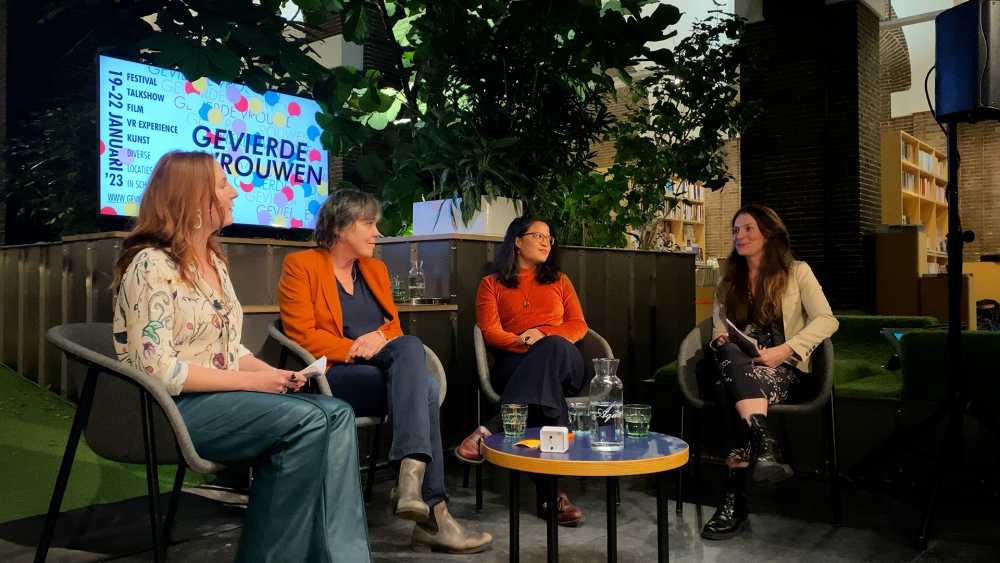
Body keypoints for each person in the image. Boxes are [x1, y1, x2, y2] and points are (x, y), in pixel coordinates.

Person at [112, 151, 371, 562]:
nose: (234, 192)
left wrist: (272, 374)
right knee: (305, 422)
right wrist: (255, 383)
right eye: (222, 185)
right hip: (173, 409)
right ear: (193, 198)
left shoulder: (214, 259)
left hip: (224, 400)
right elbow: (158, 369)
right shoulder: (150, 265)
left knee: (335, 412)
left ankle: (343, 558)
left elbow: (230, 350)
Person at [277, 189, 492, 555]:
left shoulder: (373, 269)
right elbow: (303, 336)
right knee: (422, 386)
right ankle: (430, 510)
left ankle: (413, 482)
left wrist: (377, 337)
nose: (377, 232)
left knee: (408, 347)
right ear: (342, 226)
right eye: (369, 224)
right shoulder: (301, 266)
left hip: (382, 373)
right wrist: (353, 348)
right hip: (333, 376)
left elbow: (392, 330)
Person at [700, 204, 839, 540]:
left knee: (724, 389)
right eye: (735, 230)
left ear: (769, 233)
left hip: (784, 369)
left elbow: (827, 319)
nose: (740, 236)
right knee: (726, 351)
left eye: (748, 229)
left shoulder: (797, 272)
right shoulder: (728, 277)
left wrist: (784, 350)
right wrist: (722, 333)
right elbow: (720, 324)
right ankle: (764, 442)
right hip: (742, 364)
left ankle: (734, 500)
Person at [454, 216, 589, 526]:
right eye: (538, 235)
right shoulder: (491, 284)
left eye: (549, 238)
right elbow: (489, 331)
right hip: (515, 365)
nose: (545, 241)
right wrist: (519, 341)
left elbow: (578, 325)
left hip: (566, 363)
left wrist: (543, 335)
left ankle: (491, 427)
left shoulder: (560, 280)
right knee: (544, 396)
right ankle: (551, 495)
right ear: (516, 240)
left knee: (552, 347)